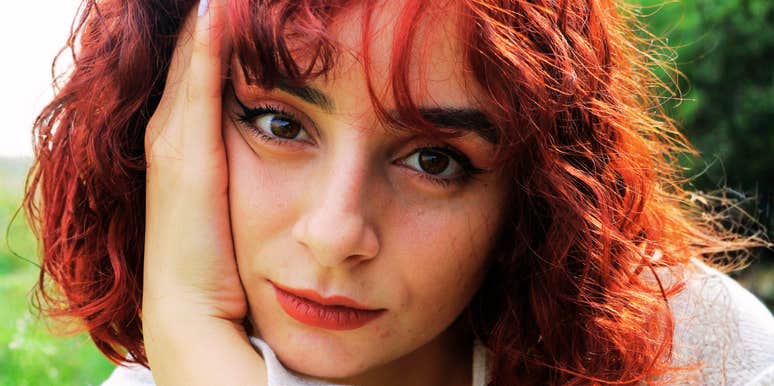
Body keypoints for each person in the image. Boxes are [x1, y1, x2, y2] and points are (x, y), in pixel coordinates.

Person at [25, 0, 774, 385]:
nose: (336, 231)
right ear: (170, 130)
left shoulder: (689, 349)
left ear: (537, 193)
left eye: (435, 161)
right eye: (279, 123)